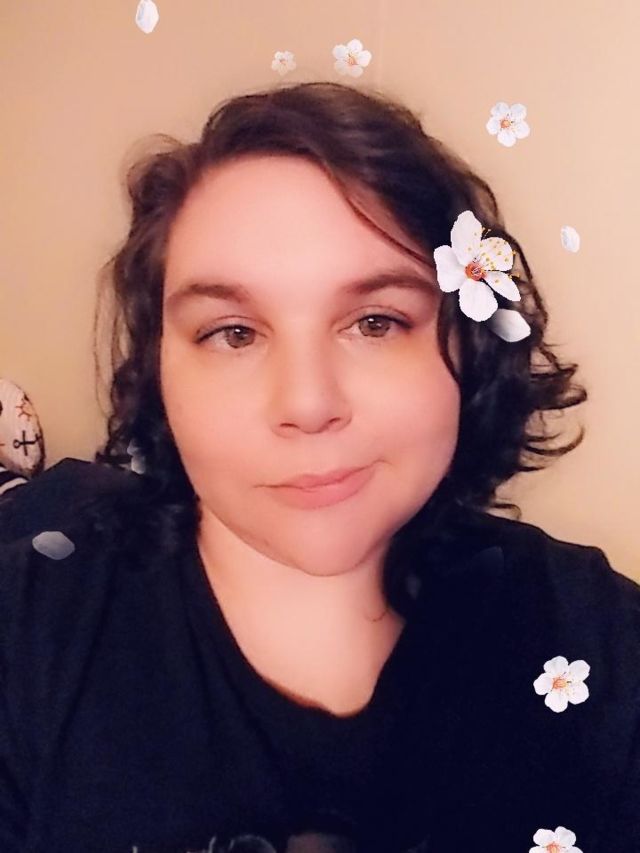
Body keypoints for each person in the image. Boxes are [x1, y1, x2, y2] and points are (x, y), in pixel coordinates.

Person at [0, 81, 638, 853]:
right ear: (159, 371)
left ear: (469, 345)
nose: (307, 403)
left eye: (375, 322)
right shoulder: (25, 639)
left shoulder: (597, 640)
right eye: (234, 333)